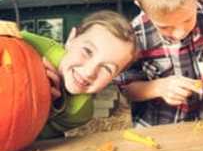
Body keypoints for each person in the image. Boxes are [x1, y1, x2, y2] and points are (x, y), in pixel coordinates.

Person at [0, 10, 137, 138]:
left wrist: (50, 107)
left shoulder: (81, 112)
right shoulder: (28, 43)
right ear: (72, 39)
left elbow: (25, 140)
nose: (89, 72)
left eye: (107, 68)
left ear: (114, 77)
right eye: (88, 51)